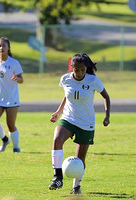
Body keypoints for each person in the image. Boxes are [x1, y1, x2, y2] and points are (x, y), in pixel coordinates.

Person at [48, 53, 110, 194]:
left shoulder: (93, 80)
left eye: (83, 70)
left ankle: (76, 187)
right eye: (77, 70)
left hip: (86, 123)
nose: (80, 73)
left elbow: (106, 96)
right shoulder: (65, 79)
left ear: (86, 68)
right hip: (69, 118)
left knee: (80, 158)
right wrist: (58, 112)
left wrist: (107, 116)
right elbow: (68, 95)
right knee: (57, 139)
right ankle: (57, 177)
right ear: (72, 67)